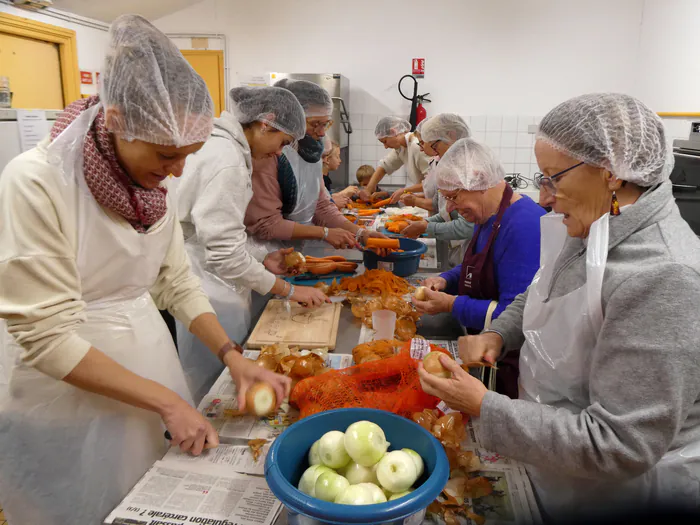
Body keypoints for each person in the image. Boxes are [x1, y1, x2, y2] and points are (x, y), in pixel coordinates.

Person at [0, 15, 290, 525]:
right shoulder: (37, 181)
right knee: (75, 504)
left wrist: (231, 355)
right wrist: (166, 401)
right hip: (60, 387)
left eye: (187, 157)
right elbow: (44, 337)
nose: (177, 171)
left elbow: (175, 280)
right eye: (166, 155)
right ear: (115, 119)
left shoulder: (153, 182)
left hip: (144, 363)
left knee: (141, 491)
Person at [417, 93, 700, 518]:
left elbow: (620, 444)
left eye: (553, 178)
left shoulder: (665, 276)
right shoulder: (595, 222)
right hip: (556, 459)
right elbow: (541, 288)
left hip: (619, 496)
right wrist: (499, 332)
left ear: (610, 171)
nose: (544, 198)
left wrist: (484, 405)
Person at [174, 86, 328, 403]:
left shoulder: (228, 150)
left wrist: (262, 257)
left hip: (209, 273)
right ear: (266, 123)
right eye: (282, 143)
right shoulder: (227, 160)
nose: (278, 153)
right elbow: (223, 252)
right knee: (213, 384)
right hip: (204, 282)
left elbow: (224, 232)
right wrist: (288, 290)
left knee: (228, 373)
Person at [412, 138, 544, 399]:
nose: (450, 208)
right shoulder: (489, 217)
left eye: (454, 197)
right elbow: (477, 266)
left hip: (508, 367)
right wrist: (446, 279)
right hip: (479, 349)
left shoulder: (523, 226)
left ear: (480, 180)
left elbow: (517, 315)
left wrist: (451, 304)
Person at [245, 79, 383, 250]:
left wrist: (360, 233)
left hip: (293, 252)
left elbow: (321, 206)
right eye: (315, 124)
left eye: (326, 123)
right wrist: (323, 233)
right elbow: (266, 225)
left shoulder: (312, 152)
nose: (322, 132)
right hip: (261, 254)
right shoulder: (266, 154)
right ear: (291, 119)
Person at [401, 114, 475, 264]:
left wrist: (426, 226)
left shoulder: (467, 171)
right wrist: (423, 224)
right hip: (455, 243)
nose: (434, 152)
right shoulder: (449, 165)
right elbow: (444, 211)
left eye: (434, 146)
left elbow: (467, 227)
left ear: (451, 136)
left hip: (468, 246)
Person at [358, 116, 431, 202]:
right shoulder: (401, 148)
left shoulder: (416, 146)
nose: (385, 147)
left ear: (394, 131)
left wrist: (404, 190)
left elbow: (431, 183)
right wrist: (368, 189)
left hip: (429, 200)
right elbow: (384, 166)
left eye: (385, 141)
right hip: (421, 198)